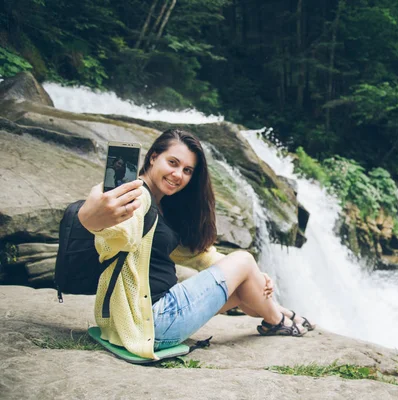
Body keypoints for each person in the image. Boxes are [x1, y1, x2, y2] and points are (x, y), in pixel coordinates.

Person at [78, 129, 315, 360]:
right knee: (244, 259)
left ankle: (278, 313)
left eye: (187, 170)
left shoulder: (160, 206)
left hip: (135, 321)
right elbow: (115, 234)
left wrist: (256, 276)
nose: (178, 174)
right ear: (153, 157)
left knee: (250, 291)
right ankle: (278, 321)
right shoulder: (137, 200)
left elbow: (200, 257)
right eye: (172, 162)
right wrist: (91, 217)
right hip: (153, 321)